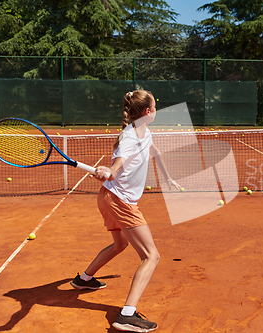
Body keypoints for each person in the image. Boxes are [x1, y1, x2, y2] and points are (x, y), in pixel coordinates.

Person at [70, 89, 180, 332]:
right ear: (148, 112)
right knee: (151, 256)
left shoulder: (145, 131)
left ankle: (84, 279)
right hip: (120, 200)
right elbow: (118, 164)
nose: (157, 109)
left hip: (108, 197)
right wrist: (109, 171)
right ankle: (127, 315)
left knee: (120, 245)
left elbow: (153, 151)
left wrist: (168, 177)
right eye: (155, 105)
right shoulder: (130, 137)